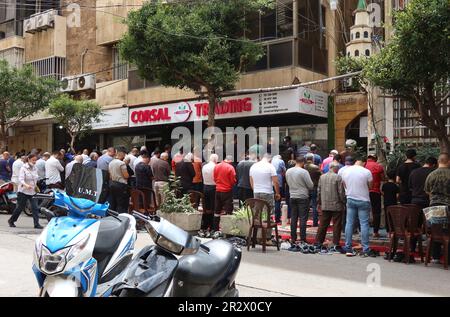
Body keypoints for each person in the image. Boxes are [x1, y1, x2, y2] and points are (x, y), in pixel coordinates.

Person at [341, 157, 376, 257]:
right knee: (364, 224)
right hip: (363, 199)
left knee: (349, 223)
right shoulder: (366, 172)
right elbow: (370, 186)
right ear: (363, 163)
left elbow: (344, 185)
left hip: (351, 198)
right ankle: (365, 248)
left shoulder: (345, 171)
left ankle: (348, 247)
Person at [424, 153, 450, 263]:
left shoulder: (431, 175)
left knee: (435, 231)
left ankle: (435, 256)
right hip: (448, 206)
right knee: (448, 231)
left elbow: (427, 190)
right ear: (448, 161)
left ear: (439, 161)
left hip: (434, 206)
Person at [315, 162, 346, 252]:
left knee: (323, 224)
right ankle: (335, 243)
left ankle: (318, 241)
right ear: (335, 168)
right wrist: (344, 201)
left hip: (325, 204)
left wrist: (319, 202)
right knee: (336, 225)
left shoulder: (322, 177)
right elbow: (341, 192)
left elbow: (319, 191)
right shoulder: (338, 177)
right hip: (336, 204)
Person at [8, 154, 42, 229]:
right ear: (29, 159)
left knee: (35, 207)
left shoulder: (35, 168)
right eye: (33, 160)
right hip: (23, 191)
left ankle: (36, 224)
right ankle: (11, 220)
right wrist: (26, 185)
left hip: (32, 191)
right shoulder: (23, 168)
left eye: (35, 160)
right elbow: (21, 179)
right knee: (20, 207)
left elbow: (36, 177)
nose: (35, 161)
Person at [285, 156, 314, 246]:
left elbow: (288, 183)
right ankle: (302, 238)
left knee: (293, 218)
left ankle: (293, 237)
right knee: (302, 218)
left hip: (292, 195)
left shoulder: (288, 171)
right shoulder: (304, 172)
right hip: (302, 196)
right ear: (303, 163)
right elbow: (310, 185)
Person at [212, 155, 236, 238]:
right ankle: (228, 232)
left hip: (218, 190)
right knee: (228, 211)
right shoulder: (230, 168)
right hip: (227, 191)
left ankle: (215, 230)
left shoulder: (217, 166)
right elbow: (233, 180)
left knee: (217, 211)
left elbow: (214, 178)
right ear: (230, 160)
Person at [365, 153, 385, 238]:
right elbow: (383, 178)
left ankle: (363, 231)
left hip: (364, 192)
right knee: (376, 212)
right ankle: (375, 232)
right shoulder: (378, 166)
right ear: (375, 158)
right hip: (375, 191)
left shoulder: (364, 165)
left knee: (364, 211)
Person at [200, 153, 219, 238]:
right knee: (213, 208)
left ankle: (205, 227)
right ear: (215, 160)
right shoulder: (215, 167)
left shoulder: (204, 166)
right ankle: (211, 227)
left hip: (205, 187)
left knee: (207, 208)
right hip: (213, 187)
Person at [108, 147, 130, 213]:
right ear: (122, 154)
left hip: (112, 184)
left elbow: (110, 176)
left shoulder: (110, 163)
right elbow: (126, 176)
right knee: (121, 204)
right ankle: (121, 218)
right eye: (124, 154)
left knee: (113, 203)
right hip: (121, 185)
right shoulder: (122, 163)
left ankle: (113, 218)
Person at [305, 153, 321, 227]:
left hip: (306, 188)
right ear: (312, 159)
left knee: (305, 206)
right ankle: (315, 222)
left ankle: (304, 221)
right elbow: (321, 176)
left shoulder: (303, 167)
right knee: (314, 205)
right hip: (314, 187)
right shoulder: (316, 167)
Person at [271, 154, 286, 223]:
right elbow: (284, 171)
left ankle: (270, 217)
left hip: (270, 181)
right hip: (278, 181)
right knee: (277, 199)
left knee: (271, 200)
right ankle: (277, 218)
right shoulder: (281, 161)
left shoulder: (271, 161)